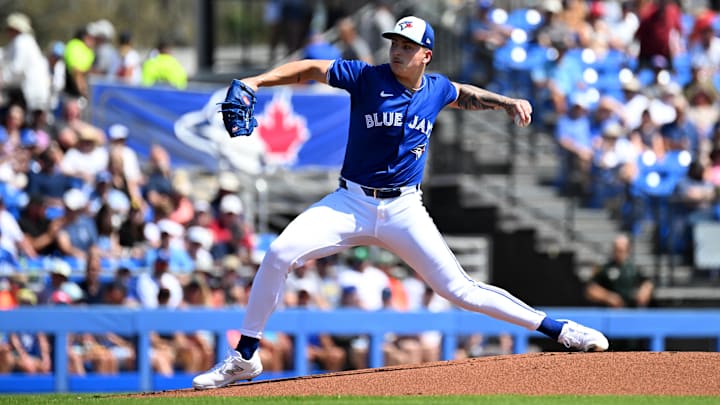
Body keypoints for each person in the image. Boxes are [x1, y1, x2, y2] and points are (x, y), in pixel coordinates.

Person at [192, 15, 609, 390]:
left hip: (404, 209)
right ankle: (245, 356)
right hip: (350, 202)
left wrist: (504, 102)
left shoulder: (436, 88)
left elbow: (461, 92)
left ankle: (560, 330)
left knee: (460, 289)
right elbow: (310, 69)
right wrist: (255, 82)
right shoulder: (366, 77)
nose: (397, 50)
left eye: (407, 46)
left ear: (426, 54)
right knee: (279, 253)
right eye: (394, 42)